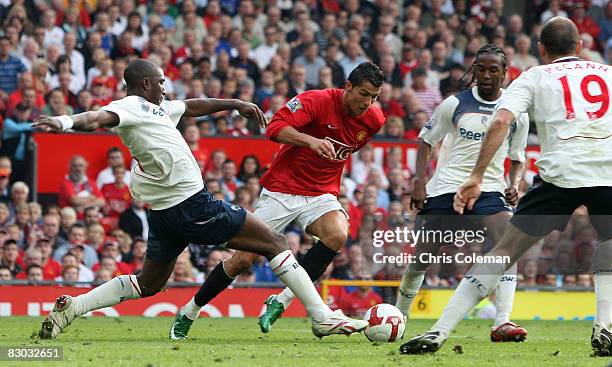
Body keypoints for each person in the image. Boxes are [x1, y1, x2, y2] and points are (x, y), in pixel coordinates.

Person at [33, 58, 367, 340]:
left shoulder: (158, 109)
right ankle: (321, 315)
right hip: (193, 205)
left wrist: (234, 104)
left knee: (149, 283)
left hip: (165, 213)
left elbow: (192, 106)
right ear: (146, 83)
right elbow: (96, 118)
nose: (166, 87)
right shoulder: (129, 107)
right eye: (162, 82)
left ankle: (74, 307)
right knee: (274, 242)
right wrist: (63, 122)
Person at [400, 18, 612, 357]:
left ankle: (439, 331)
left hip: (559, 176)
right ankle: (605, 326)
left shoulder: (534, 76)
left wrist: (476, 176)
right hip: (606, 174)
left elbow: (500, 121)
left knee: (503, 250)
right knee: (609, 246)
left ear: (541, 50)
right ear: (579, 47)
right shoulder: (608, 73)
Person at [170, 62, 385, 339]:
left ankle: (281, 301)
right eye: (364, 94)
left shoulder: (373, 120)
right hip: (282, 190)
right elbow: (274, 127)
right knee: (241, 262)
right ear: (348, 87)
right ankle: (190, 310)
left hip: (321, 193)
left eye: (374, 97)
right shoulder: (317, 101)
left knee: (337, 234)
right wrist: (310, 141)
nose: (368, 103)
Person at [395, 45, 529, 343]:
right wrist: (419, 182)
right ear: (474, 70)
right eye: (481, 68)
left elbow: (518, 156)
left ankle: (502, 320)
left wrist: (515, 182)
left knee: (509, 242)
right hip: (445, 188)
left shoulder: (515, 111)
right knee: (423, 257)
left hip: (490, 189)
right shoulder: (454, 103)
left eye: (493, 69)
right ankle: (399, 317)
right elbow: (425, 140)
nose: (486, 75)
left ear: (505, 73)